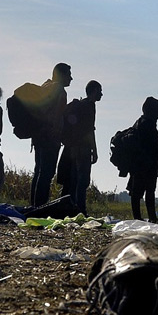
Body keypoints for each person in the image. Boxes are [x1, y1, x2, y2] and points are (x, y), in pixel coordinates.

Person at [29, 63, 72, 207]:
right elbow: (58, 114)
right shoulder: (60, 91)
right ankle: (40, 206)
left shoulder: (45, 86)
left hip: (38, 135)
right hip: (51, 136)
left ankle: (33, 205)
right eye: (69, 75)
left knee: (39, 171)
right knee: (46, 173)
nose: (71, 79)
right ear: (62, 75)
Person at [57, 80, 102, 216]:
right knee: (83, 180)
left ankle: (70, 209)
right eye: (99, 91)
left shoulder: (80, 105)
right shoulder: (90, 106)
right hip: (83, 148)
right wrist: (94, 149)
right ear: (93, 91)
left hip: (72, 148)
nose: (101, 94)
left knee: (74, 180)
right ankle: (80, 210)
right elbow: (90, 130)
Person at [127, 96, 158, 222]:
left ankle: (140, 217)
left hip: (140, 164)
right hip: (145, 164)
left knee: (139, 191)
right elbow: (151, 147)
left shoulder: (141, 123)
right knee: (144, 191)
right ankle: (147, 217)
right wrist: (156, 161)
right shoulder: (147, 125)